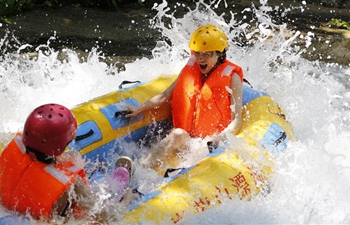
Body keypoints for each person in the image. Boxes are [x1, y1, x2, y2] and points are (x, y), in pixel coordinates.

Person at [125, 24, 244, 171]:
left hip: (208, 141)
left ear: (219, 54)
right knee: (178, 134)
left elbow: (237, 121)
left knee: (190, 142)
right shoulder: (190, 69)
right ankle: (136, 170)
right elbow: (165, 96)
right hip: (186, 138)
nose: (200, 58)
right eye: (197, 53)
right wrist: (139, 108)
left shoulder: (233, 78)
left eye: (206, 54)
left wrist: (219, 138)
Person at [0, 104, 133, 223]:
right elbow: (106, 217)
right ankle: (121, 177)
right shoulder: (72, 185)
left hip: (17, 210)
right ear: (58, 149)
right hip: (69, 217)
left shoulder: (12, 149)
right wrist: (127, 202)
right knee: (103, 193)